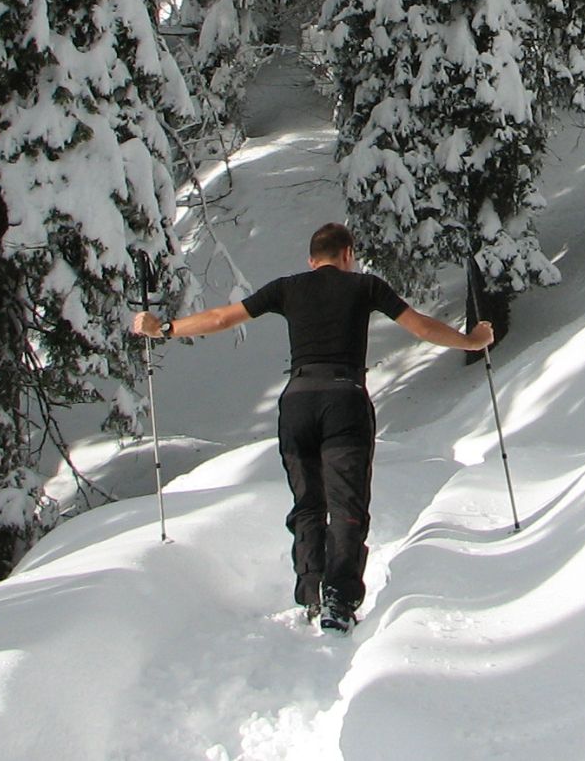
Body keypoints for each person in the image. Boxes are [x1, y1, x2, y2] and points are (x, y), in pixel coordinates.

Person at [130, 222, 494, 632]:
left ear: (311, 259)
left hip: (297, 401)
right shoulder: (365, 287)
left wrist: (164, 328)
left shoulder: (287, 287)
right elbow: (423, 327)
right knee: (346, 503)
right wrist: (473, 340)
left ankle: (311, 590)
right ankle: (339, 597)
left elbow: (219, 318)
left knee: (308, 503)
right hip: (344, 399)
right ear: (347, 255)